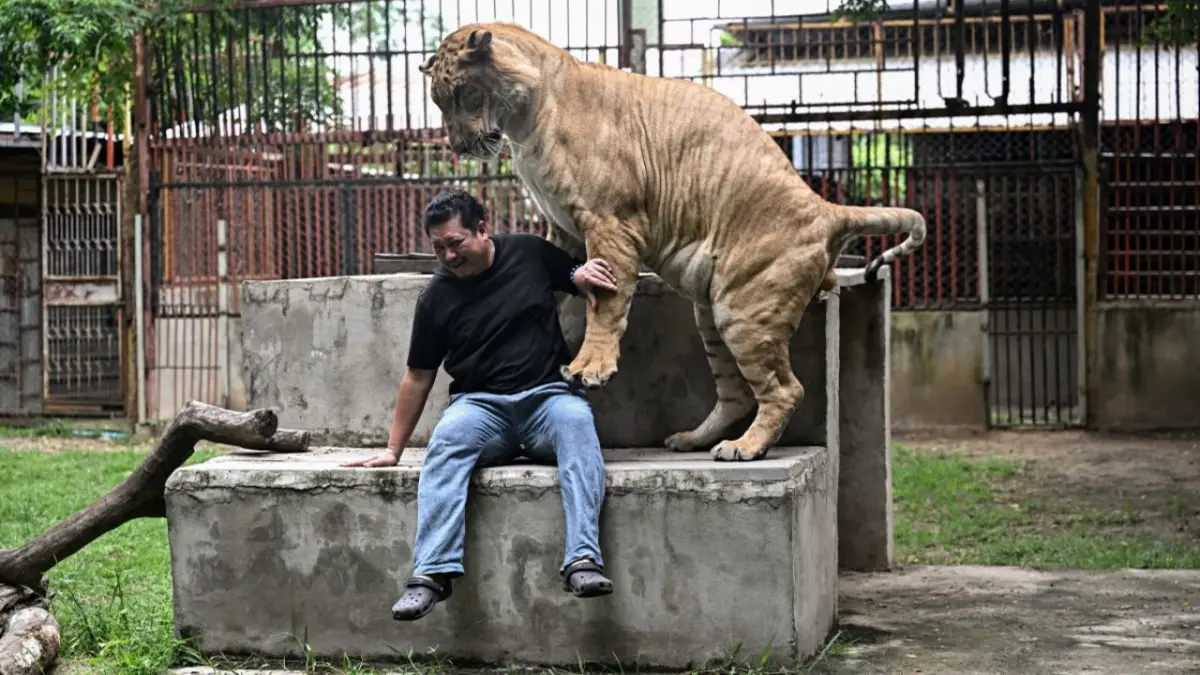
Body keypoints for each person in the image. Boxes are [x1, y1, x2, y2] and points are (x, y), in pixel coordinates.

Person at [342, 188, 620, 622]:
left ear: (483, 230)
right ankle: (431, 574)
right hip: (482, 409)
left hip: (547, 398)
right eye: (439, 248)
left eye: (456, 243)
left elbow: (573, 275)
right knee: (447, 438)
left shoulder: (528, 253)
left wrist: (582, 276)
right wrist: (393, 449)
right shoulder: (436, 297)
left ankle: (582, 561)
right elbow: (418, 375)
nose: (449, 256)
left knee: (578, 423)